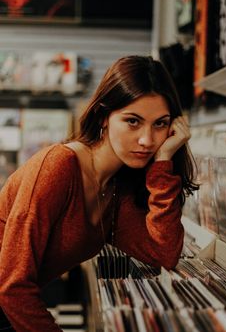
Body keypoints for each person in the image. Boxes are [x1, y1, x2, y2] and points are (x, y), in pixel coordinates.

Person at [0, 55, 198, 331]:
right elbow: (11, 286)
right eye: (132, 121)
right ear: (104, 117)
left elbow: (163, 254)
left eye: (160, 124)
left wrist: (163, 162)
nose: (147, 140)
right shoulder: (59, 167)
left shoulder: (118, 188)